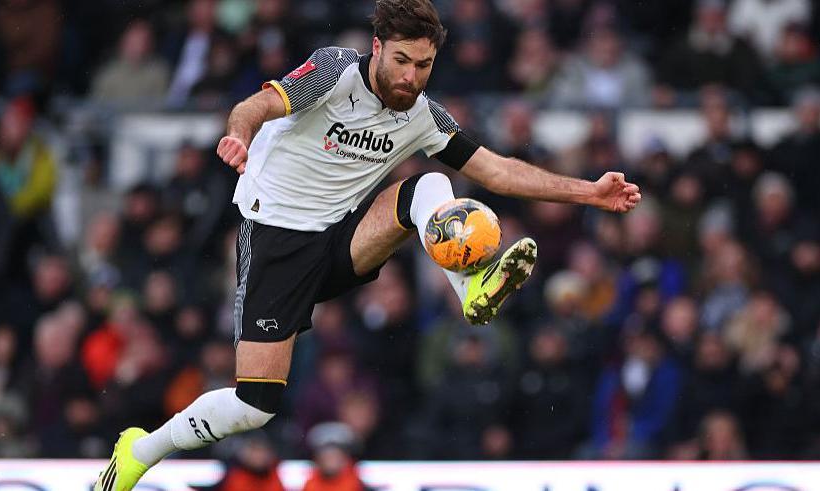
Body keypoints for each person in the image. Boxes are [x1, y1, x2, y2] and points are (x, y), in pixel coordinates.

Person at [94, 1, 641, 489]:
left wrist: (589, 193)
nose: (410, 77)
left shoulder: (422, 115)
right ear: (377, 47)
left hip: (341, 236)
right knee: (254, 406)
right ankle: (140, 451)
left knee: (429, 185)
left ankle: (471, 288)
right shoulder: (334, 72)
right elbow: (257, 105)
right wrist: (238, 135)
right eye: (401, 60)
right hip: (276, 240)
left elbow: (495, 170)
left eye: (423, 65)